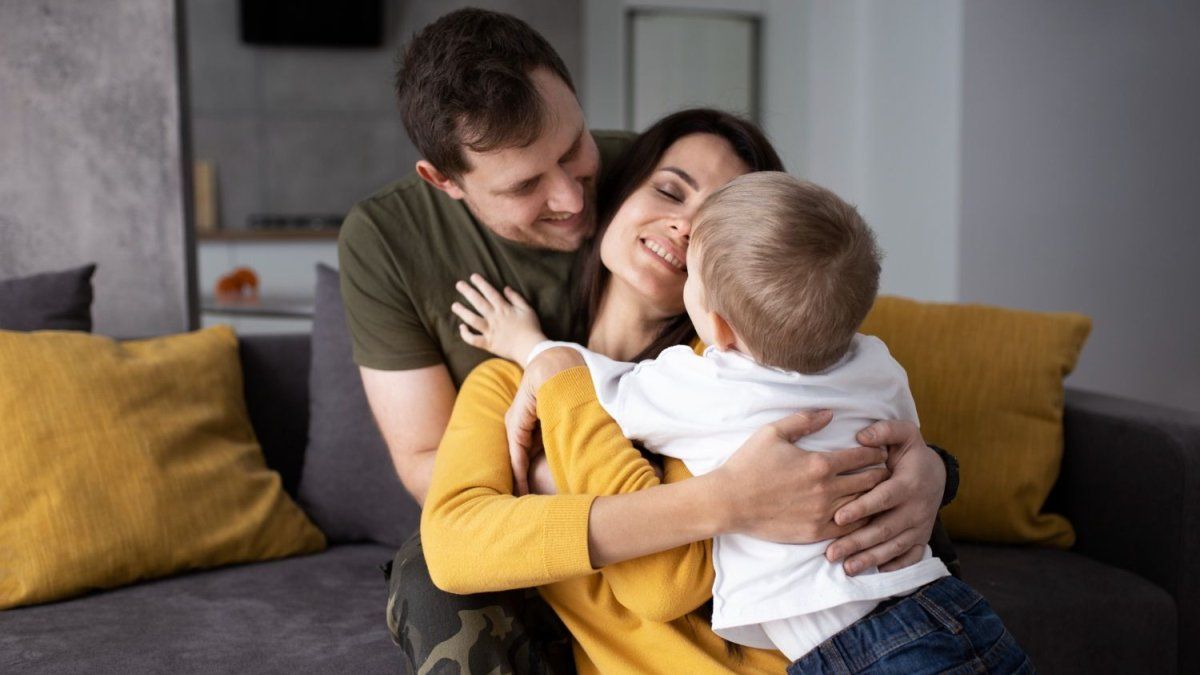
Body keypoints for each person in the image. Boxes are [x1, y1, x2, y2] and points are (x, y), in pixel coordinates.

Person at [338, 8, 957, 671]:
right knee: (429, 575)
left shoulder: (739, 375)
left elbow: (834, 367)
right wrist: (710, 497)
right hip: (557, 545)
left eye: (576, 155)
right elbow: (453, 525)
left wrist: (934, 470)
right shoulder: (503, 372)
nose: (572, 199)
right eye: (668, 191)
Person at [455, 172, 1029, 671]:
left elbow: (604, 390)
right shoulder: (876, 360)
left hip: (860, 650)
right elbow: (904, 442)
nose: (683, 227)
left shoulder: (705, 386)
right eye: (671, 190)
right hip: (950, 607)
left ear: (720, 328)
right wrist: (930, 465)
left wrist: (537, 351)